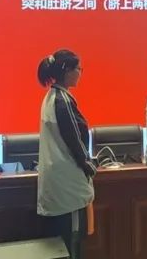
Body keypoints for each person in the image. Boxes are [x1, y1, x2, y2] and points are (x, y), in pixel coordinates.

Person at [36, 49, 96, 259]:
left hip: (59, 182)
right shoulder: (62, 101)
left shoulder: (53, 97)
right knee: (72, 242)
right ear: (67, 71)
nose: (80, 73)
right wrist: (89, 166)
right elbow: (74, 140)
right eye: (78, 69)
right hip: (68, 185)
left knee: (64, 244)